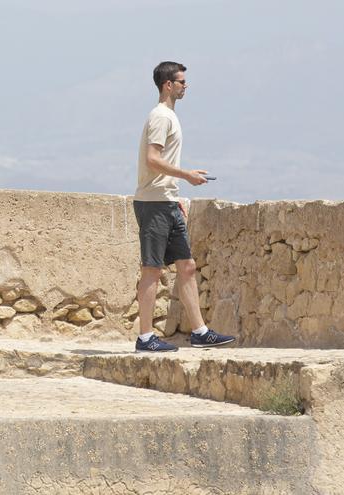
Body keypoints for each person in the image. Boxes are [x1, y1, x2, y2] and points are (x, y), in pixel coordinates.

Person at [132, 62, 236, 352]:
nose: (185, 86)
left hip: (167, 201)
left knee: (187, 266)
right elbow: (153, 159)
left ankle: (200, 332)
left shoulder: (169, 116)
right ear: (168, 85)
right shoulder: (161, 117)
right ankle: (145, 337)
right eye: (181, 82)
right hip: (153, 204)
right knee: (152, 270)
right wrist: (187, 175)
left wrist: (175, 193)